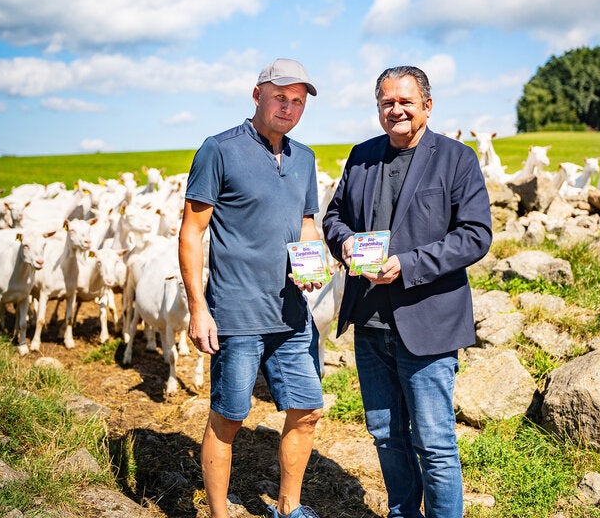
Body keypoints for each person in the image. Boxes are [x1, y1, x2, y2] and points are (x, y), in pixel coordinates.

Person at [322, 65, 492, 518]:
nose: (395, 110)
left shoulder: (457, 158)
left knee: (434, 442)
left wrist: (408, 264)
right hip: (371, 320)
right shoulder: (361, 156)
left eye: (405, 102)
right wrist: (345, 242)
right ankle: (403, 513)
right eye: (386, 102)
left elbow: (475, 235)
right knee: (385, 434)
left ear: (427, 106)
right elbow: (333, 216)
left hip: (428, 321)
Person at [178, 58, 325, 518]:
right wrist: (198, 308)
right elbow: (191, 232)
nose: (289, 107)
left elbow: (305, 223)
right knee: (229, 418)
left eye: (298, 101)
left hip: (292, 314)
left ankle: (288, 508)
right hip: (236, 313)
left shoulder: (304, 157)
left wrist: (315, 261)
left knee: (308, 410)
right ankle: (220, 513)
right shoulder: (219, 149)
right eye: (281, 97)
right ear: (257, 93)